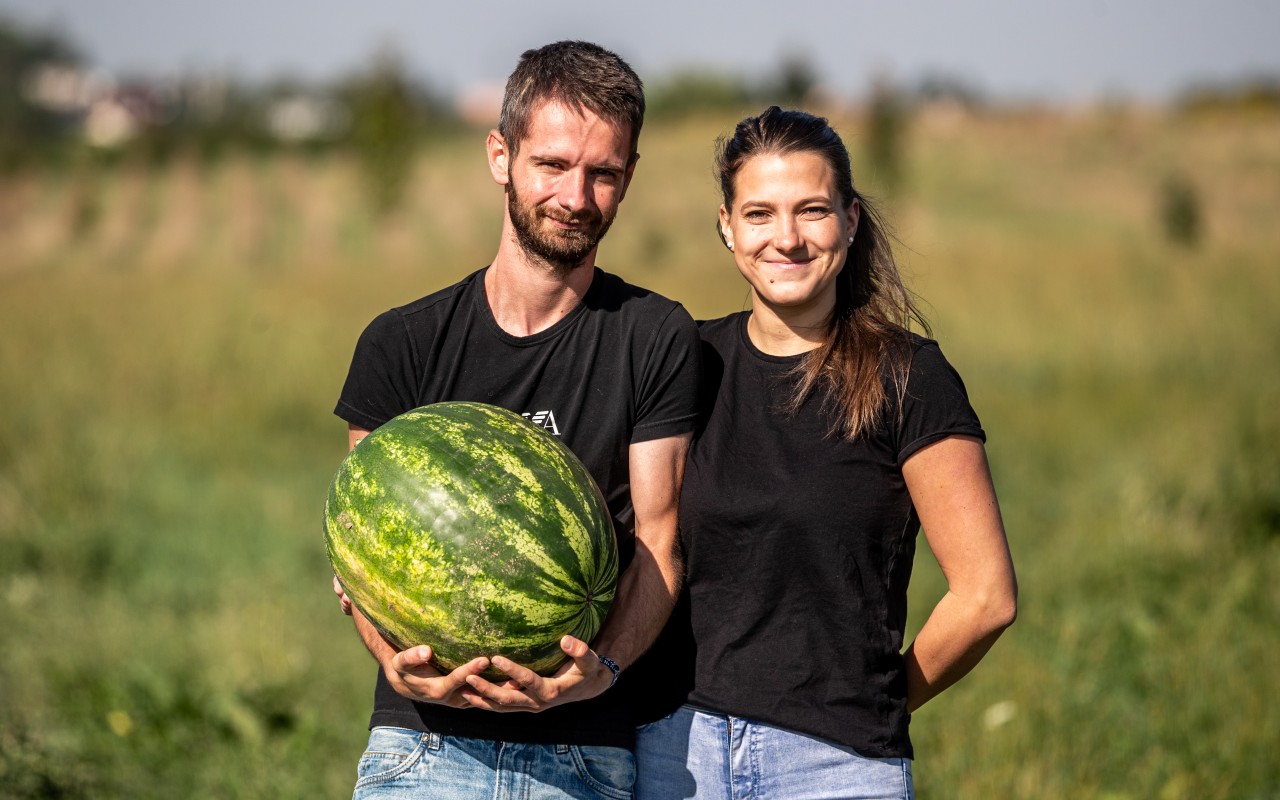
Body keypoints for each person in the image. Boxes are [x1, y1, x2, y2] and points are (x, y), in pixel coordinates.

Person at [331, 41, 700, 799]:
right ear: (501, 156)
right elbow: (359, 545)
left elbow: (661, 542)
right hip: (421, 748)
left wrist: (597, 677)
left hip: (584, 753)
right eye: (553, 165)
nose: (577, 196)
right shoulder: (400, 344)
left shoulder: (655, 336)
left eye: (604, 172)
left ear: (629, 176)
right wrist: (387, 654)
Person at [630, 107, 1018, 800]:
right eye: (759, 214)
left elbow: (986, 597)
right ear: (726, 226)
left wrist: (880, 701)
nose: (787, 238)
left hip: (833, 765)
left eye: (811, 210)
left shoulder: (910, 378)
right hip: (674, 753)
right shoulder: (685, 361)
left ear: (851, 220)